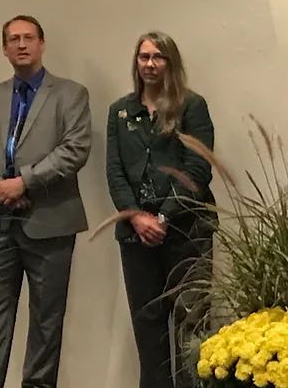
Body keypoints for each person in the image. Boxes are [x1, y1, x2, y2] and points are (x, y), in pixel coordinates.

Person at [0, 15, 91, 388]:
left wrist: (24, 183)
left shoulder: (71, 94)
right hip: (0, 224)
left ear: (41, 44)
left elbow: (75, 150)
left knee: (46, 318)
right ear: (4, 49)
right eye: (13, 39)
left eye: (28, 38)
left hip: (51, 222)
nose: (21, 45)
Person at [106, 31, 215, 388]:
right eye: (143, 57)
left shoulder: (191, 105)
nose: (150, 64)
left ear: (170, 62)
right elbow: (115, 171)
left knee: (191, 320)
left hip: (186, 229)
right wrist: (137, 216)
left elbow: (197, 169)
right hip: (136, 234)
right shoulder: (120, 111)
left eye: (158, 57)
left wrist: (163, 216)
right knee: (148, 323)